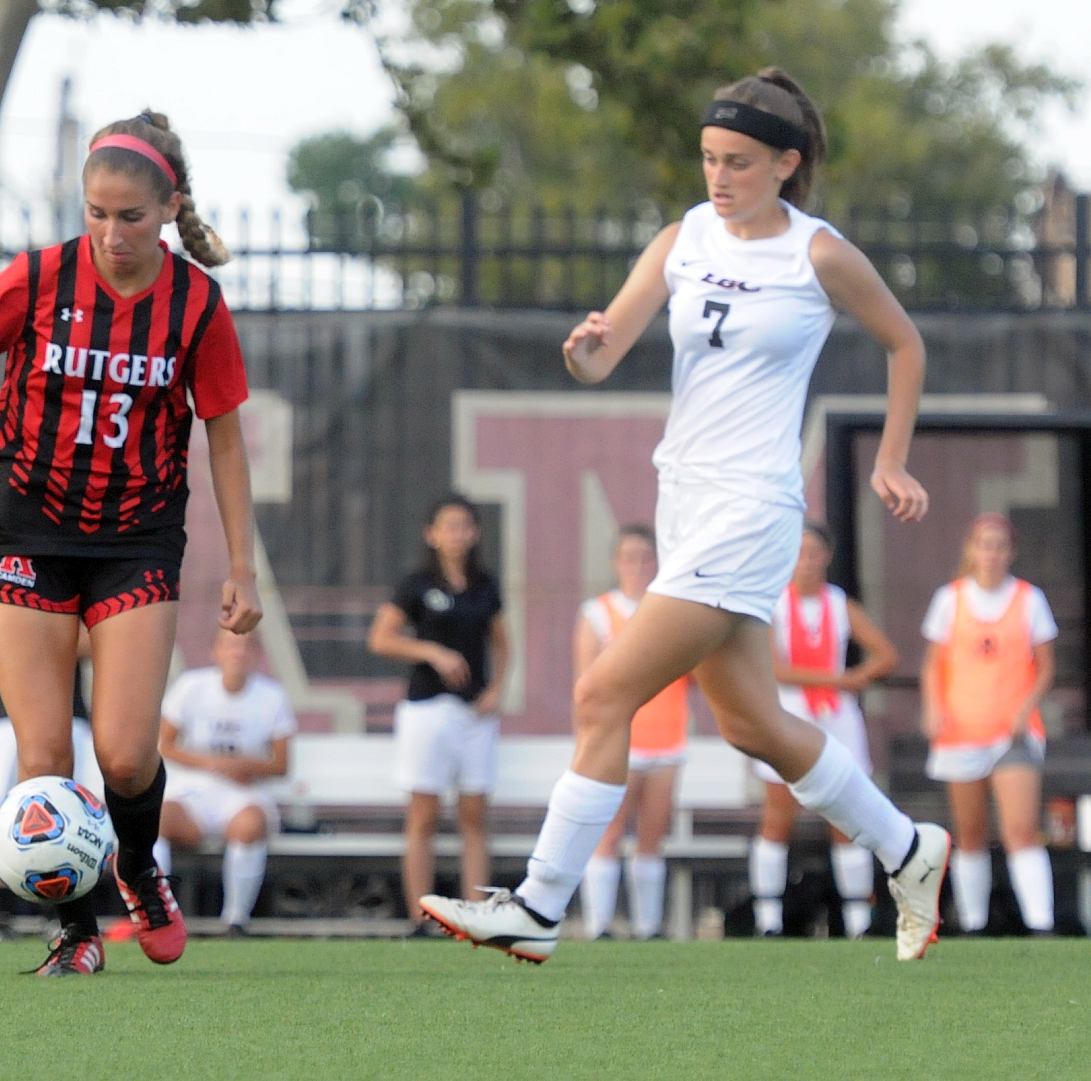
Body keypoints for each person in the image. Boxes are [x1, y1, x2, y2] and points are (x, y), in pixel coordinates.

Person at [419, 68, 951, 965]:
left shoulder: (819, 254)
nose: (719, 176)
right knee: (752, 724)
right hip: (685, 503)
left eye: (739, 161)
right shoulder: (683, 238)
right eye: (709, 158)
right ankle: (908, 848)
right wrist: (585, 353)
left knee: (601, 692)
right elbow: (604, 354)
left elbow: (906, 341)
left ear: (786, 163)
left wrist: (891, 458)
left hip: (752, 510)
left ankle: (539, 905)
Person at [0, 111, 261, 976]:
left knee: (124, 754)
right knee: (46, 756)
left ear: (169, 210)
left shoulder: (196, 303)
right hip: (27, 530)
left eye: (131, 216)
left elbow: (225, 438)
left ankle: (139, 867)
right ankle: (75, 929)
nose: (111, 234)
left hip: (136, 537)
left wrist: (241, 564)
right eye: (96, 213)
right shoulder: (37, 279)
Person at [750, 522, 899, 940]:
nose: (807, 562)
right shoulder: (774, 603)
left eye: (814, 552)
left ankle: (857, 919)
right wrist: (838, 679)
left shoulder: (839, 604)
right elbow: (774, 668)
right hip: (790, 716)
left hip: (837, 720)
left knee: (847, 820)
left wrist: (860, 677)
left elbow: (886, 655)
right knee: (778, 818)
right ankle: (768, 919)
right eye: (799, 552)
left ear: (827, 557)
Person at [368, 496, 508, 934]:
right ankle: (421, 916)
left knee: (474, 816)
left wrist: (496, 689)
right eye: (448, 526)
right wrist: (431, 651)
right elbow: (382, 638)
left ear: (475, 532)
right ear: (432, 534)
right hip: (428, 708)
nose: (457, 534)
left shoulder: (485, 584)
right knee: (424, 815)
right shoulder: (417, 584)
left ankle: (476, 917)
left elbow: (502, 642)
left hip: (473, 713)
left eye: (464, 525)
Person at [921, 513, 1057, 935]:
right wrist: (932, 708)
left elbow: (1046, 666)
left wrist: (1026, 709)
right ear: (971, 549)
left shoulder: (1030, 599)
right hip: (961, 730)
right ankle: (974, 923)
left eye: (1000, 546)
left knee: (1020, 828)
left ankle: (1041, 923)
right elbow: (933, 664)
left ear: (1011, 552)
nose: (991, 554)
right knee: (970, 831)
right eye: (984, 545)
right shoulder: (950, 599)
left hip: (1012, 732)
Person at [577, 525, 691, 941]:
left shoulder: (672, 613)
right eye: (629, 558)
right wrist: (588, 742)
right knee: (608, 833)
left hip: (667, 737)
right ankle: (599, 925)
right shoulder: (598, 613)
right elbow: (585, 684)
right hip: (618, 740)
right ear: (616, 562)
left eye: (646, 558)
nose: (638, 566)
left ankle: (648, 927)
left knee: (652, 836)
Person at [156, 628, 296, 936]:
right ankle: (156, 913)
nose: (238, 653)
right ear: (216, 651)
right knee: (155, 820)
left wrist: (245, 766)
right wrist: (210, 763)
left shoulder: (272, 696)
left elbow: (282, 764)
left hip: (243, 793)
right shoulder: (191, 687)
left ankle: (235, 919)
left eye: (247, 646)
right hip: (193, 789)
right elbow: (165, 745)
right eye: (231, 645)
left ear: (257, 654)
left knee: (250, 826)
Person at [0, 670, 100, 945]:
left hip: (69, 715)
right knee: (6, 818)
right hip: (13, 716)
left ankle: (57, 916)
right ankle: (1, 917)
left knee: (67, 818)